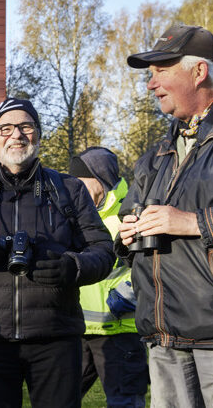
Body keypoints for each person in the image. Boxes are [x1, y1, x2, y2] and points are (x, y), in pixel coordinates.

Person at [0, 98, 115, 408]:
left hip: (56, 339)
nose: (17, 135)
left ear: (38, 135)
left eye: (26, 127)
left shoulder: (69, 190)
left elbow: (104, 253)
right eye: (6, 128)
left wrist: (72, 267)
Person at [118, 24, 213, 407]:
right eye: (150, 75)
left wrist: (193, 222)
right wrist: (126, 233)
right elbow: (129, 214)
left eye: (161, 71)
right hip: (163, 335)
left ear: (200, 72)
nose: (151, 84)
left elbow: (186, 220)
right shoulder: (157, 153)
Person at [69, 147, 149, 407]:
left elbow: (153, 268)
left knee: (125, 403)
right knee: (57, 399)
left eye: (81, 182)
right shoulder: (75, 220)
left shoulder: (131, 215)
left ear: (101, 179)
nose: (75, 189)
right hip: (78, 330)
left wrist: (129, 293)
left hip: (120, 333)